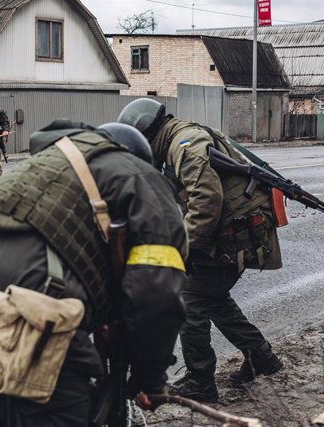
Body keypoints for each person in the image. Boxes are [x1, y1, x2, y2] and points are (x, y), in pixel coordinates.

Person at [0, 120, 188, 426]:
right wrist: (148, 378)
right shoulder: (140, 175)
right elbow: (155, 295)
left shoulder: (45, 166)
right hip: (27, 311)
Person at [118, 98, 284, 403]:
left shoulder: (184, 144)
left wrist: (181, 250)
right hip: (236, 226)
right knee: (214, 298)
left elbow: (206, 201)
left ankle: (200, 381)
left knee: (189, 300)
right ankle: (261, 356)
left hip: (238, 231)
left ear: (147, 136)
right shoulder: (177, 140)